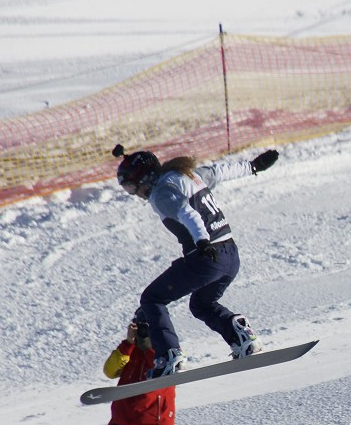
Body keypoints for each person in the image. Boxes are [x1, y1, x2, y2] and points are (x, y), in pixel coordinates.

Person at [112, 144, 279, 378]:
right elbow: (219, 171)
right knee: (201, 304)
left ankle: (169, 356)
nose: (134, 194)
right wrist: (252, 166)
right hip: (230, 255)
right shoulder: (188, 174)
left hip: (206, 258)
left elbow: (188, 214)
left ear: (145, 178)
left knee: (152, 299)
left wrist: (201, 241)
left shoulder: (161, 192)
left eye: (131, 187)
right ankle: (239, 334)